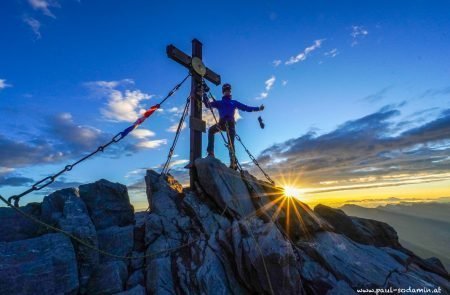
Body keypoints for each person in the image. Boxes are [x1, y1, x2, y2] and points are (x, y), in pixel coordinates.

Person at [203, 83, 264, 170]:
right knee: (211, 130)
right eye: (226, 90)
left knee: (231, 143)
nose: (227, 91)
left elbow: (246, 108)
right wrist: (204, 96)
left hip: (231, 124)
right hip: (221, 123)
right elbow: (208, 105)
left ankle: (233, 163)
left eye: (229, 90)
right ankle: (211, 152)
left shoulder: (234, 102)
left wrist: (258, 108)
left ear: (230, 91)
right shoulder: (219, 103)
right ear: (223, 92)